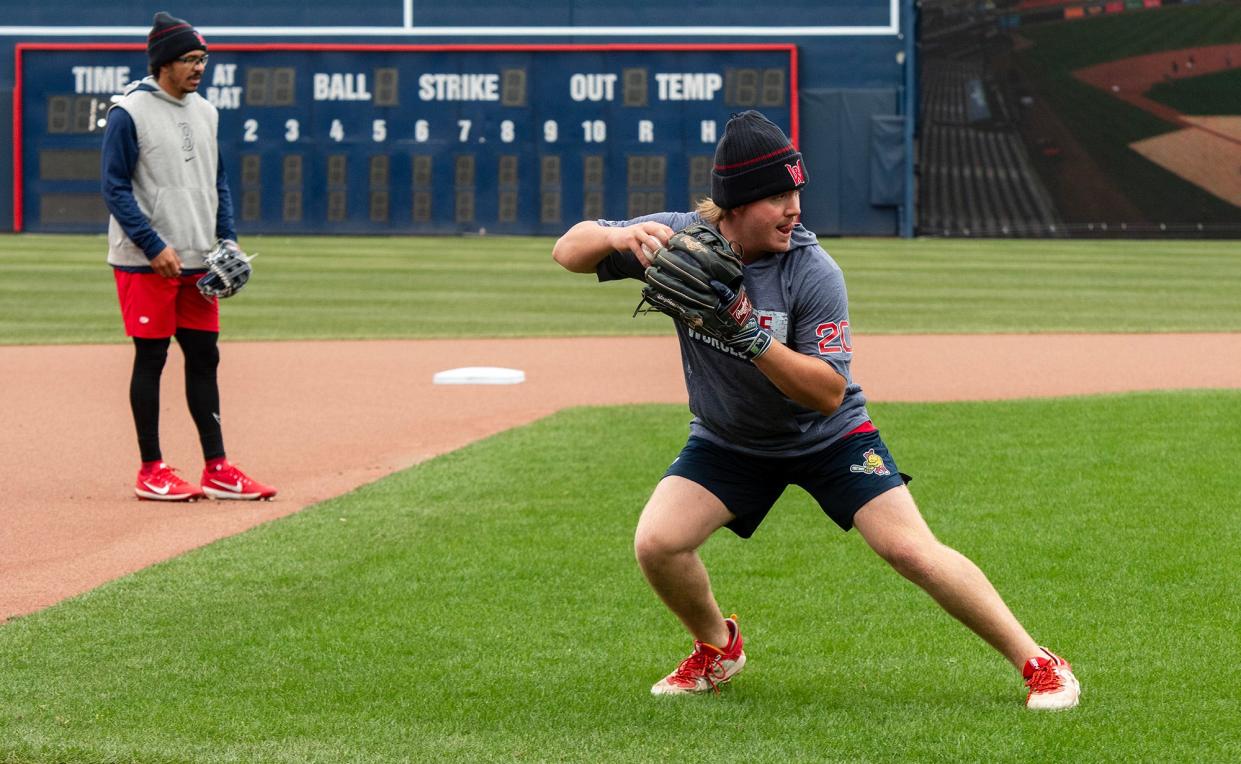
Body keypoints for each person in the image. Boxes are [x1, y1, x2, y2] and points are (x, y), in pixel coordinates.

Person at [551, 110, 1079, 710]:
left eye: (796, 191)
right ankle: (719, 648)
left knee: (911, 550)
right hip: (731, 441)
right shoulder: (681, 240)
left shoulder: (813, 270)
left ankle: (1041, 663)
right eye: (777, 195)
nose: (794, 207)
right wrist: (619, 236)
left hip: (831, 438)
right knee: (658, 542)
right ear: (733, 207)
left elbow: (826, 390)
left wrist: (747, 332)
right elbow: (567, 250)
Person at [102, 11, 275, 502]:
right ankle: (151, 469)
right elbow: (113, 188)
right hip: (146, 261)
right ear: (163, 63)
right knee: (151, 357)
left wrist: (229, 238)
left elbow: (216, 182)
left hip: (200, 261)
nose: (199, 68)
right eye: (189, 60)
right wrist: (153, 245)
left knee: (204, 357)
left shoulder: (206, 111)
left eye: (203, 59)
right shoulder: (127, 112)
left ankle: (217, 466)